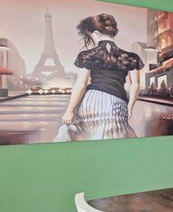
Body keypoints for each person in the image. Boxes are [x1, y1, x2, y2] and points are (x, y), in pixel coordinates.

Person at [60, 13, 143, 141]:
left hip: (91, 101)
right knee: (114, 136)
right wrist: (130, 106)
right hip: (116, 102)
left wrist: (70, 110)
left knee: (88, 134)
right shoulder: (131, 57)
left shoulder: (87, 55)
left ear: (96, 34)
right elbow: (135, 85)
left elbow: (81, 85)